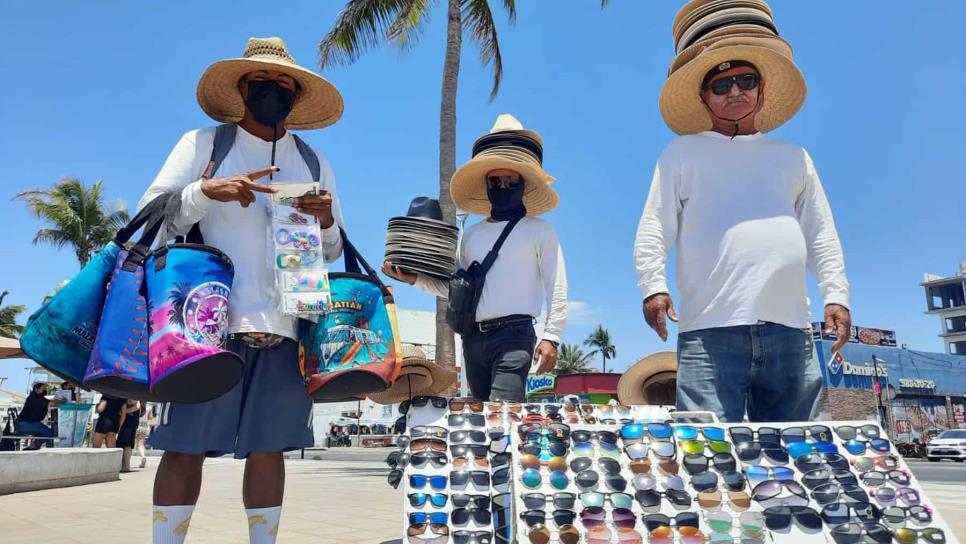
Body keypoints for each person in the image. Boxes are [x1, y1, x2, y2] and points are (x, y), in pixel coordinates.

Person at [138, 37, 344, 544]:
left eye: (284, 85)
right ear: (242, 87)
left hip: (285, 325)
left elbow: (335, 249)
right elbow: (149, 216)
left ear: (297, 96)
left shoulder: (314, 163)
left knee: (270, 448)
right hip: (203, 325)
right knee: (184, 445)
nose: (274, 91)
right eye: (262, 82)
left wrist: (324, 224)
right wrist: (205, 192)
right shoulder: (204, 145)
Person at [635, 39, 851, 422]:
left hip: (791, 331)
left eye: (745, 80)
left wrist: (836, 294)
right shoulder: (681, 153)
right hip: (709, 331)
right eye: (721, 86)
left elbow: (821, 232)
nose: (734, 91)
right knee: (708, 460)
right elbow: (654, 225)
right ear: (704, 98)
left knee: (800, 456)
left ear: (761, 89)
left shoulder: (795, 157)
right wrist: (653, 286)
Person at [383, 114, 568, 402]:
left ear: (523, 184)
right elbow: (456, 289)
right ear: (486, 185)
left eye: (510, 180)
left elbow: (557, 284)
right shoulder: (470, 235)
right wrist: (415, 279)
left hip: (515, 336)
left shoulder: (540, 231)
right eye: (496, 181)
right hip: (473, 339)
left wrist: (551, 336)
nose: (503, 187)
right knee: (483, 422)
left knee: (501, 418)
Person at [17, 382, 64, 449]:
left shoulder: (36, 397)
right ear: (36, 389)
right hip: (25, 424)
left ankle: (34, 446)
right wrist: (63, 400)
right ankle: (34, 446)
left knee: (46, 433)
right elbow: (51, 403)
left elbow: (49, 401)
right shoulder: (35, 398)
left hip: (26, 424)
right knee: (50, 433)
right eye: (43, 389)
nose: (45, 390)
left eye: (45, 389)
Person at [117, 399, 142, 472]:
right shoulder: (133, 394)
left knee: (126, 444)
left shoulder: (131, 395)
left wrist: (124, 411)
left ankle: (125, 466)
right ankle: (125, 466)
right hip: (130, 423)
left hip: (128, 424)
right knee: (127, 445)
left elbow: (137, 406)